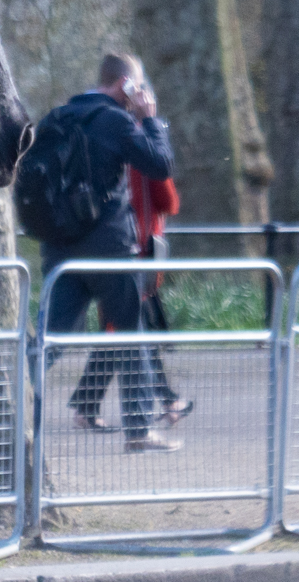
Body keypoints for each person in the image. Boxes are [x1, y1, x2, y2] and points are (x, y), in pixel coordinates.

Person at [40, 53, 179, 453]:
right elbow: (159, 163)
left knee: (51, 337)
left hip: (60, 247)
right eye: (137, 87)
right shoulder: (117, 120)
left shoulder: (58, 117)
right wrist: (150, 118)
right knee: (131, 333)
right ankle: (138, 430)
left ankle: (7, 403)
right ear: (125, 86)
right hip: (109, 249)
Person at [129, 159, 192, 422]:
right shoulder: (145, 155)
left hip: (121, 247)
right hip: (142, 250)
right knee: (137, 331)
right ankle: (167, 400)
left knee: (118, 333)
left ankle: (86, 404)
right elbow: (170, 202)